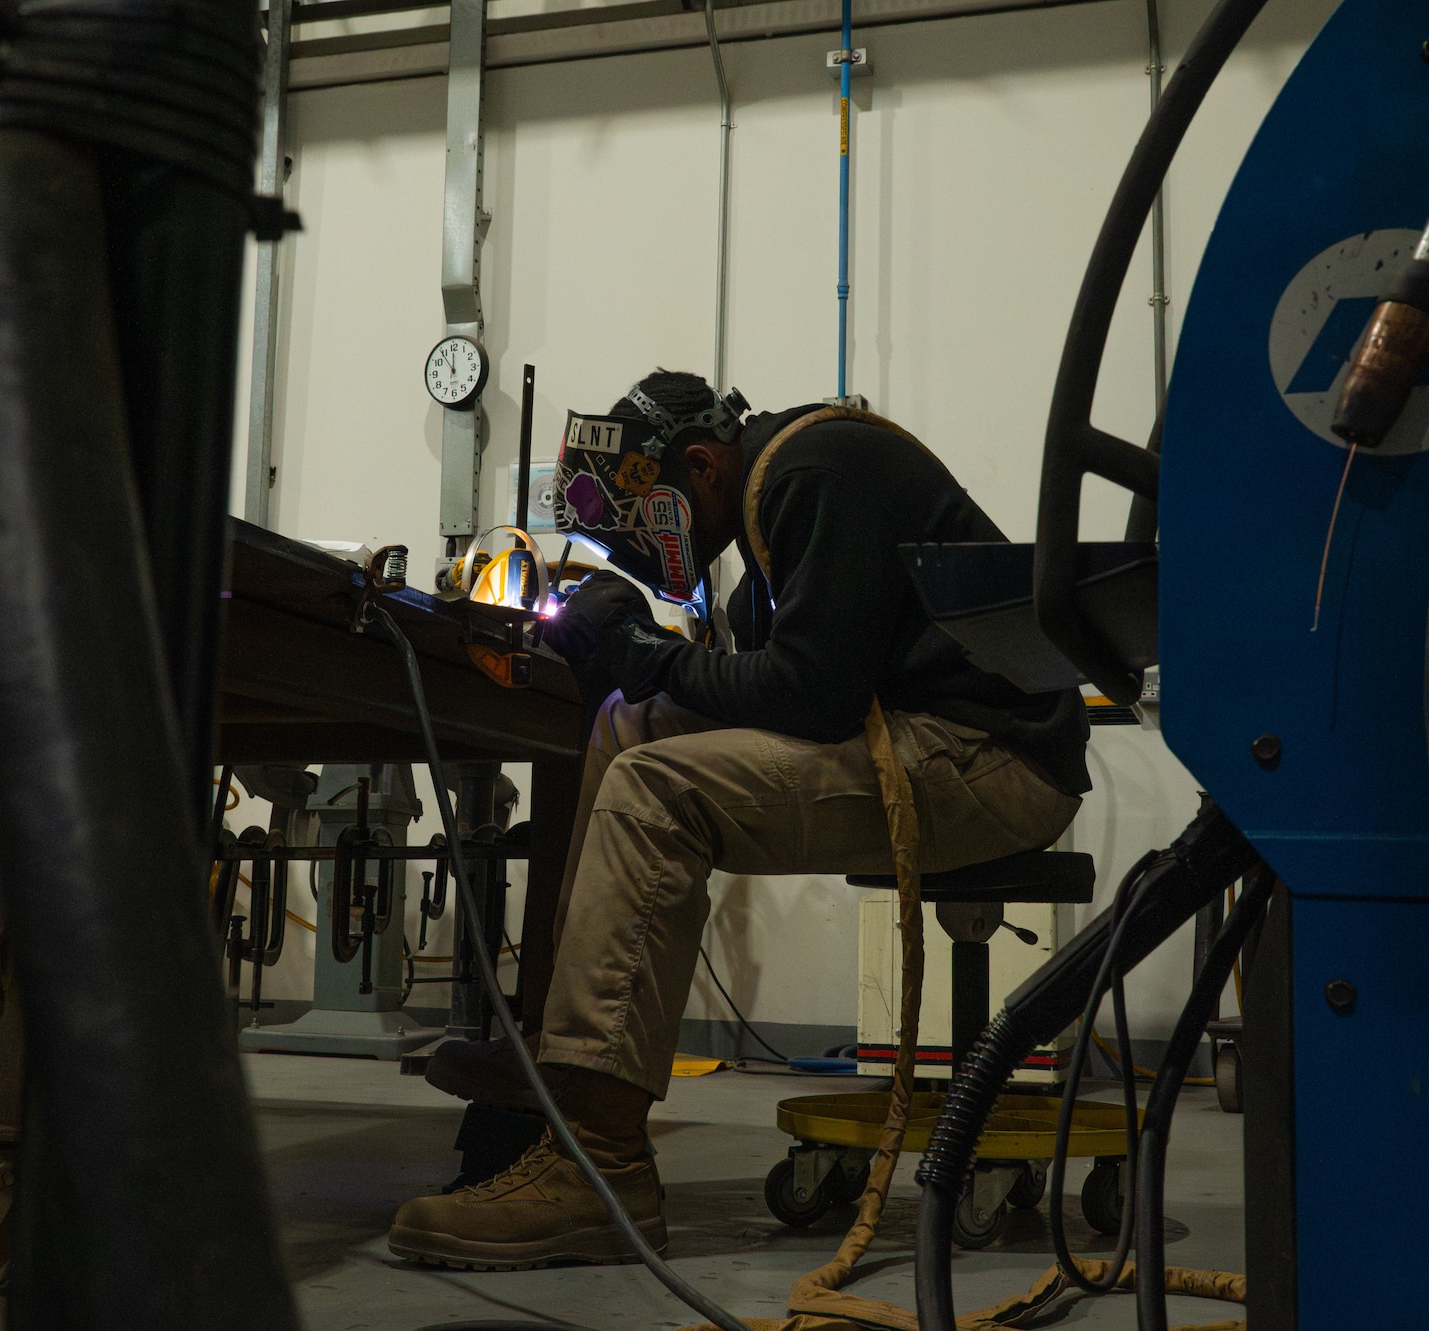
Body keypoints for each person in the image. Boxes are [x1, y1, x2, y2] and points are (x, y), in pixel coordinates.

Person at [388, 371, 1089, 1270]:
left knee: (655, 788)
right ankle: (565, 1048)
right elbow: (780, 679)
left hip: (998, 759)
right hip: (932, 735)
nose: (640, 551)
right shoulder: (774, 501)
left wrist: (647, 652)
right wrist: (633, 665)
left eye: (644, 522)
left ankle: (600, 1167)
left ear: (703, 466)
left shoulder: (813, 470)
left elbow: (810, 694)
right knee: (624, 726)